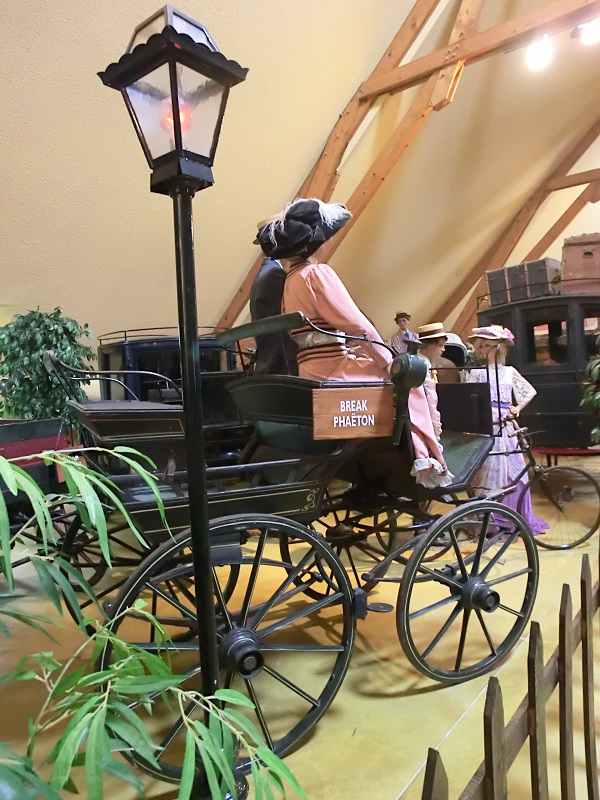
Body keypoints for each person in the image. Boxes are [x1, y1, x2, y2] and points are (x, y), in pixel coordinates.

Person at [256, 198, 452, 488]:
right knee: (415, 375)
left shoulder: (290, 282)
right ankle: (424, 456)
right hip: (335, 372)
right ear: (317, 242)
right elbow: (357, 325)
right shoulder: (316, 274)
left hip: (311, 372)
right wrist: (389, 361)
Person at [466, 325, 548, 534]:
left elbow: (528, 391)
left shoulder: (509, 372)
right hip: (486, 426)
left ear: (498, 347)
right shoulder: (476, 373)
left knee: (514, 471)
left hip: (505, 425)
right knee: (487, 469)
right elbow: (469, 399)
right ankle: (488, 519)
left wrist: (517, 408)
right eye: (479, 346)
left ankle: (514, 515)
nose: (481, 350)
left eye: (486, 345)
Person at [249, 220, 298, 375]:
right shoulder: (274, 274)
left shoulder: (266, 271)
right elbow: (285, 324)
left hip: (268, 364)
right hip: (280, 367)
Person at [416, 323, 447, 440]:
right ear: (427, 345)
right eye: (440, 345)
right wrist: (436, 429)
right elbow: (431, 399)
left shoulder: (423, 362)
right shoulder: (422, 365)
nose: (443, 349)